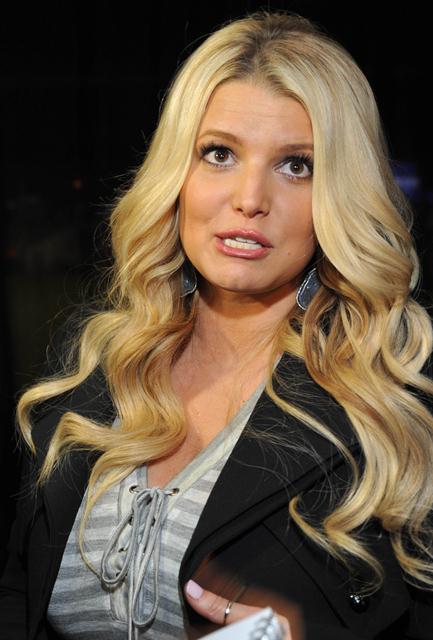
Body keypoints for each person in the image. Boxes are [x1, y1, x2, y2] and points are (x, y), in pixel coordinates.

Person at [1, 9, 433, 640]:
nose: (250, 199)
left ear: (340, 193)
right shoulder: (98, 360)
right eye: (220, 154)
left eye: (297, 165)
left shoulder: (395, 402)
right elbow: (17, 592)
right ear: (177, 172)